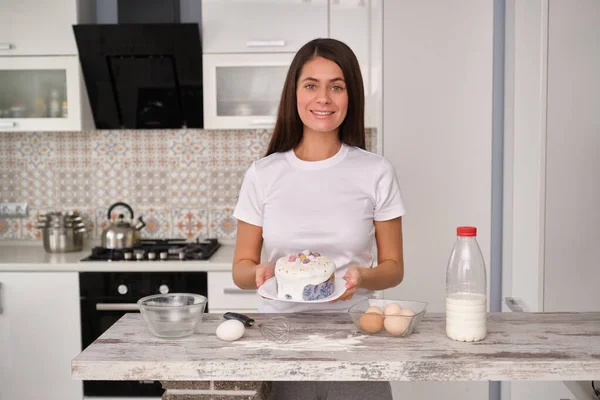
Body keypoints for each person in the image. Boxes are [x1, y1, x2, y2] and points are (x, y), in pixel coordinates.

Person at [232, 38, 406, 400]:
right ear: (294, 94)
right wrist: (259, 273)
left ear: (350, 96)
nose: (323, 98)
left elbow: (394, 267)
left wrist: (364, 277)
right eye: (311, 85)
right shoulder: (263, 174)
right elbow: (241, 268)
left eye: (336, 87)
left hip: (357, 338)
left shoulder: (376, 171)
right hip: (280, 340)